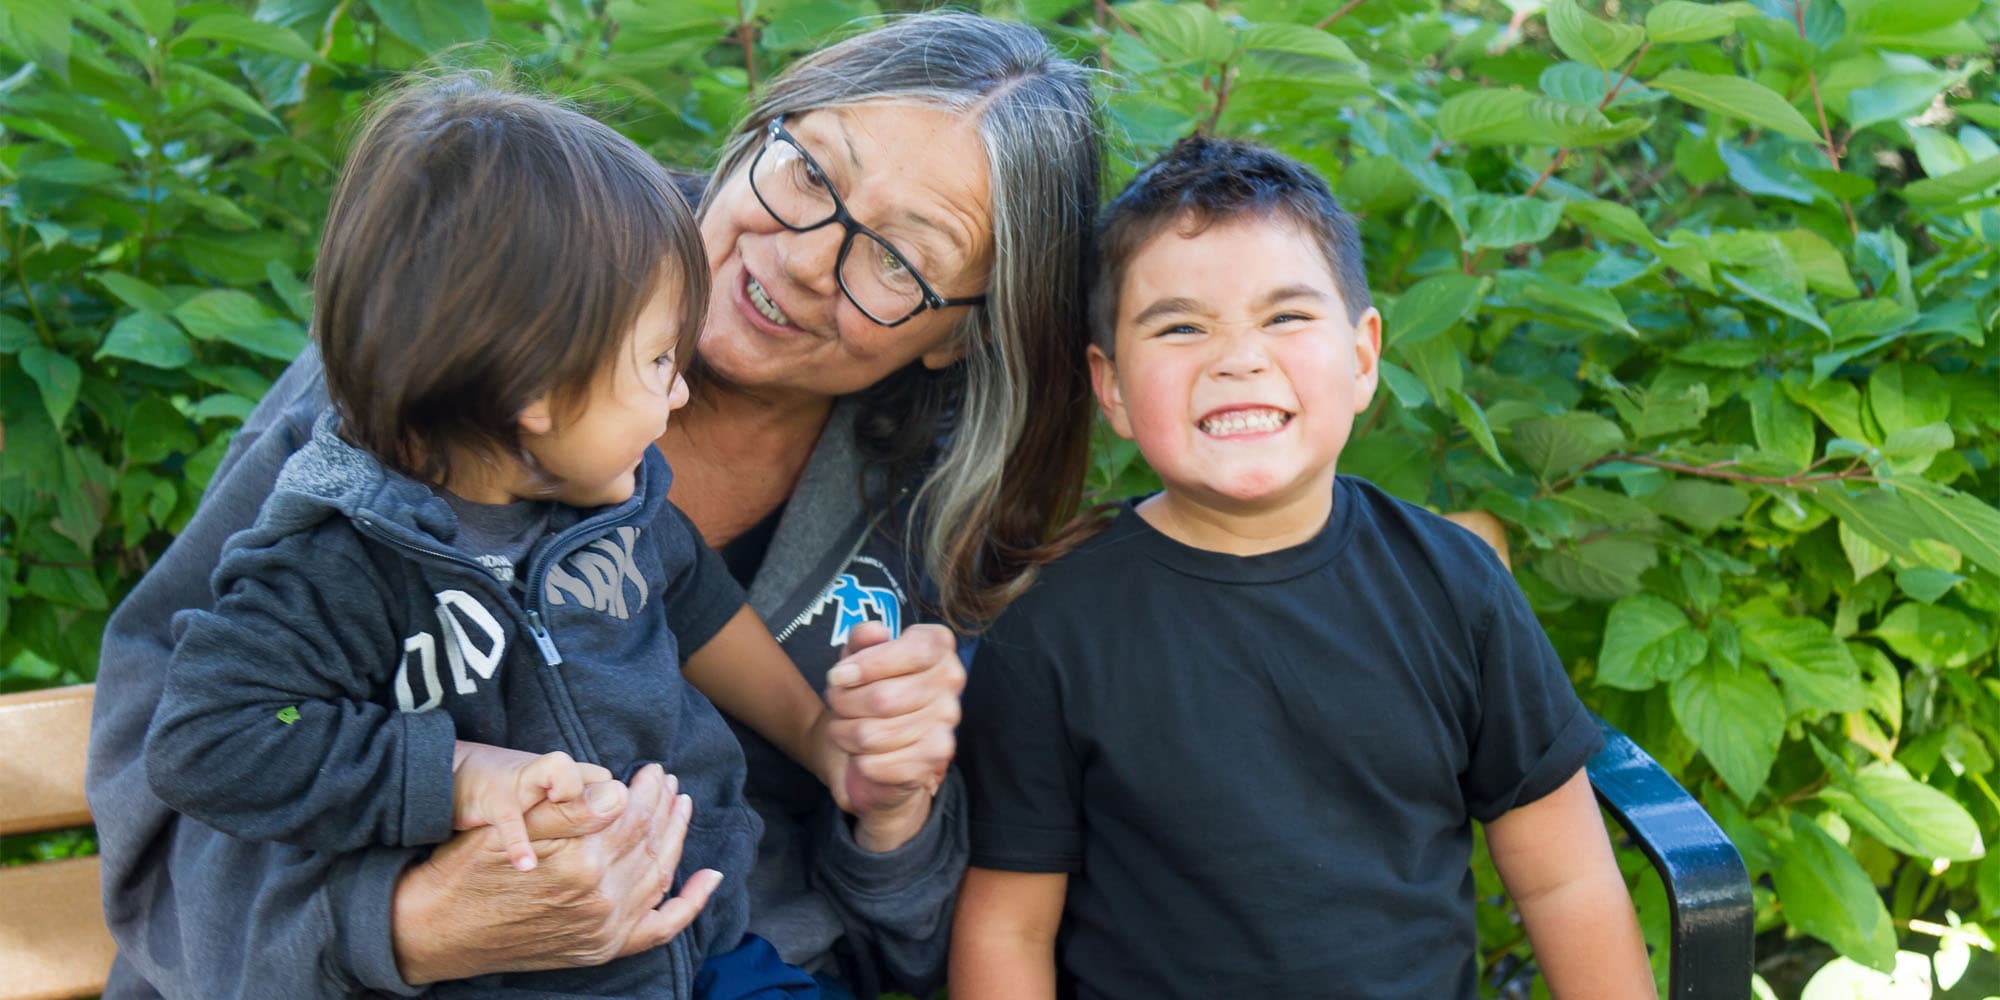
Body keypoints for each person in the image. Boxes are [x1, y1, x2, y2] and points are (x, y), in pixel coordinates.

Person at [85, 12, 1101, 999]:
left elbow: (912, 945)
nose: (800, 256)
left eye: (899, 257)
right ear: (761, 126)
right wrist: (406, 927)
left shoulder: (927, 506)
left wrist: (891, 806)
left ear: (958, 335)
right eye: (812, 170)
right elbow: (173, 759)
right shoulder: (472, 324)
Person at [141, 77, 861, 998]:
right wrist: (452, 774)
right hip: (510, 977)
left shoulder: (616, 507)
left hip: (704, 950)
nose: (679, 392)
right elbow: (206, 739)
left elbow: (696, 602)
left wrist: (815, 732)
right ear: (539, 393)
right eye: (655, 361)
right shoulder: (342, 559)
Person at [948, 136, 1656, 1000]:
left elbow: (1565, 879)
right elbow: (1009, 925)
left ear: (1363, 358)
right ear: (1114, 389)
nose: (1237, 357)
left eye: (1285, 316)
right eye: (1180, 326)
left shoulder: (1453, 586)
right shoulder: (1052, 628)